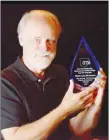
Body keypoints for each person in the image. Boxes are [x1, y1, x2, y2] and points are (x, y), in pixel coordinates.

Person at [1, 10, 107, 140]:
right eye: (37, 40)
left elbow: (78, 130)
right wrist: (64, 109)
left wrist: (94, 103)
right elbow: (14, 138)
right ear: (21, 39)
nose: (45, 48)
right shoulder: (5, 82)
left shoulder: (60, 73)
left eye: (51, 40)